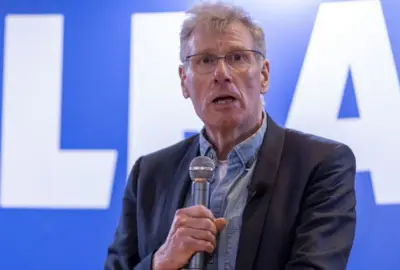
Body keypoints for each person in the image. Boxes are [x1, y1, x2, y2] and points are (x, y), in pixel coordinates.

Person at [104, 2, 357, 270]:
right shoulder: (150, 175)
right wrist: (161, 261)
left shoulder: (319, 165)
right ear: (183, 81)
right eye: (205, 60)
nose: (221, 74)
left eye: (238, 58)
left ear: (264, 75)